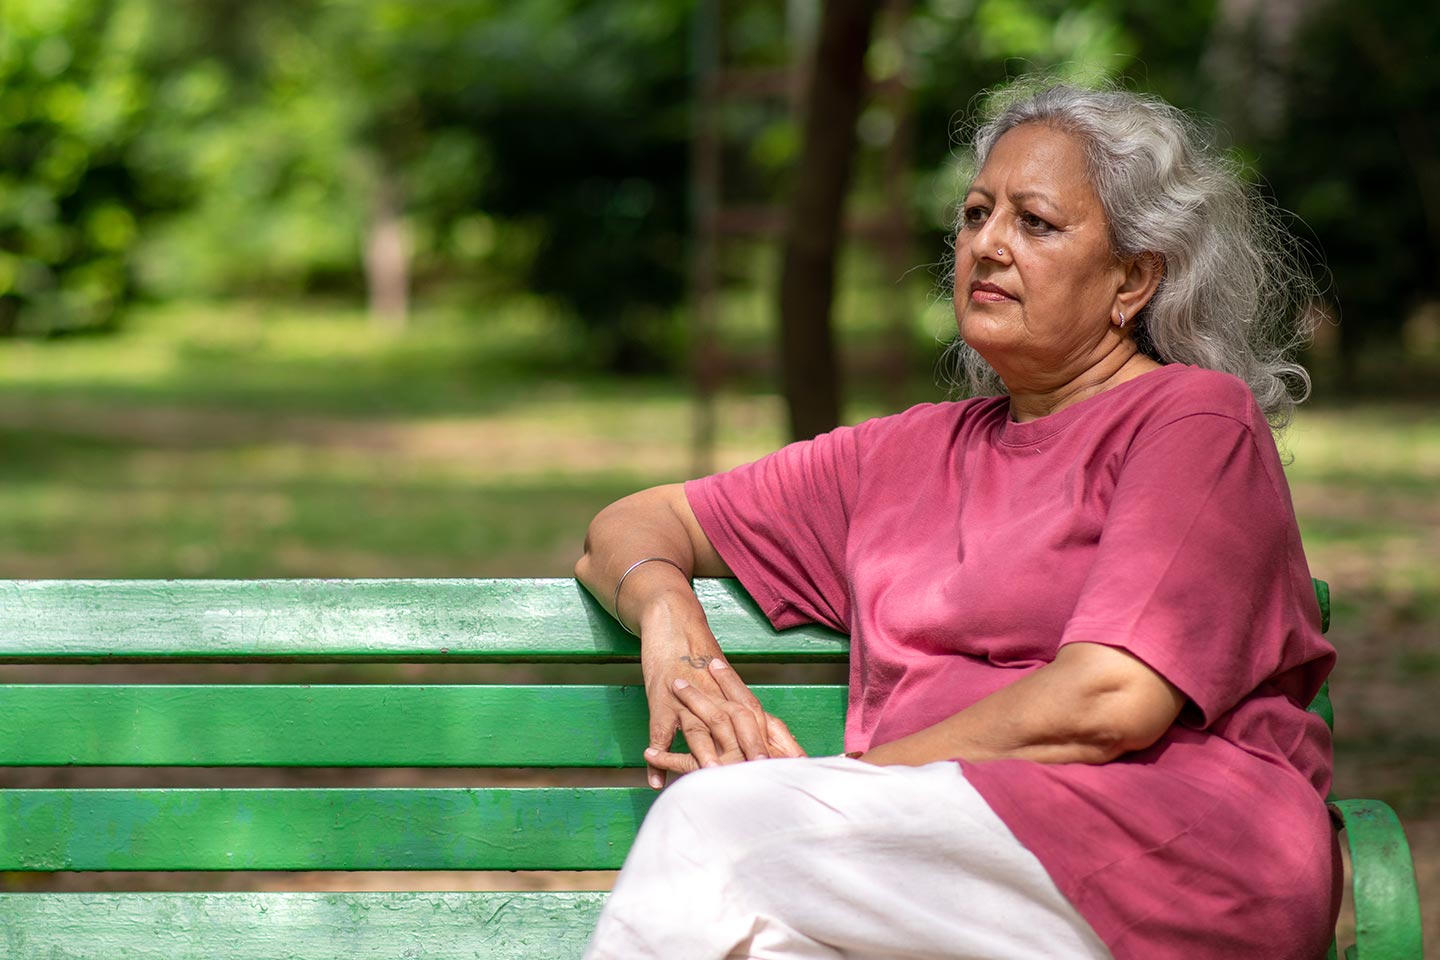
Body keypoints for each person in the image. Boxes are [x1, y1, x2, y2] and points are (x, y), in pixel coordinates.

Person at [574, 80, 1338, 960]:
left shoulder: (1192, 421)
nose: (987, 245)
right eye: (975, 215)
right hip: (942, 869)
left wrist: (845, 786)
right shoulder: (898, 458)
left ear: (1132, 279)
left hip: (1159, 857)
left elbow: (1109, 700)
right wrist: (672, 619)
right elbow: (628, 527)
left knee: (713, 829)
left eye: (1035, 223)